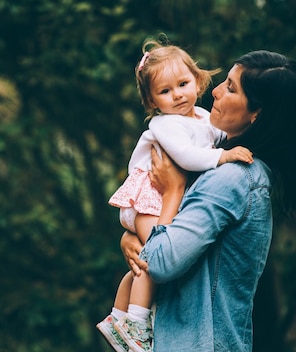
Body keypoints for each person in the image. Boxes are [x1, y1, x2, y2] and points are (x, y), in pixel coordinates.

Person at [119, 50, 296, 351]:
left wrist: (173, 191)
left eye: (230, 88)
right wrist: (130, 235)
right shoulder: (230, 170)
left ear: (257, 114)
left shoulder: (231, 179)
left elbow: (160, 263)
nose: (213, 90)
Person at [96, 37, 253, 352]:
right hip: (147, 199)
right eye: (165, 92)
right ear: (153, 102)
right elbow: (186, 157)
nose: (177, 95)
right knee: (153, 260)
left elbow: (219, 134)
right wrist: (223, 157)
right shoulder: (166, 124)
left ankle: (118, 316)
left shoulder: (201, 116)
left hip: (162, 197)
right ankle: (137, 324)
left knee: (142, 260)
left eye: (183, 84)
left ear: (197, 80)